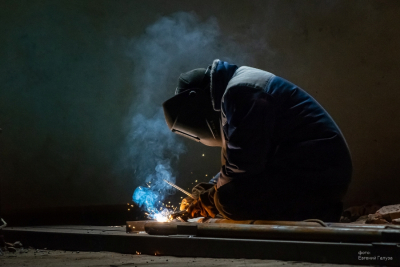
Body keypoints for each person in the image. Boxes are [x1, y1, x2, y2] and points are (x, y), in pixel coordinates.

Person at [162, 59, 352, 222]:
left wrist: (211, 198)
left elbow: (244, 167)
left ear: (198, 104)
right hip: (312, 168)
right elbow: (241, 158)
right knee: (223, 193)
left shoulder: (240, 93)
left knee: (229, 200)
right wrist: (212, 186)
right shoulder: (235, 88)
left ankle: (316, 211)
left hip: (319, 174)